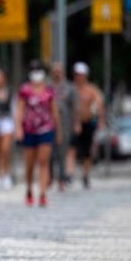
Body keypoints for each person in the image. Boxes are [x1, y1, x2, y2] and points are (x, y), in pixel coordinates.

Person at [14, 60, 60, 207]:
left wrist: (58, 130)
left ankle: (42, 193)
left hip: (45, 128)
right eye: (34, 71)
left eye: (39, 70)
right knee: (30, 164)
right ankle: (28, 189)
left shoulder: (49, 91)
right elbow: (20, 110)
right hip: (29, 129)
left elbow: (54, 112)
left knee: (43, 161)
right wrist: (18, 129)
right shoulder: (24, 90)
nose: (36, 74)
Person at [72, 62, 105, 189]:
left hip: (87, 122)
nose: (79, 77)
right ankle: (69, 173)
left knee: (87, 151)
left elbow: (99, 104)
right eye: (77, 75)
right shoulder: (71, 88)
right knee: (72, 148)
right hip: (73, 122)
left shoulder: (91, 89)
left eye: (81, 75)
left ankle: (85, 174)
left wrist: (101, 120)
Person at [50, 62, 78, 191]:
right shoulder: (47, 88)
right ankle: (49, 177)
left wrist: (76, 123)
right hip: (48, 124)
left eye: (59, 70)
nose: (57, 73)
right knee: (49, 152)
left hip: (65, 123)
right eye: (54, 70)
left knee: (62, 152)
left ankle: (61, 179)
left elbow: (74, 108)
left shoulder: (69, 88)